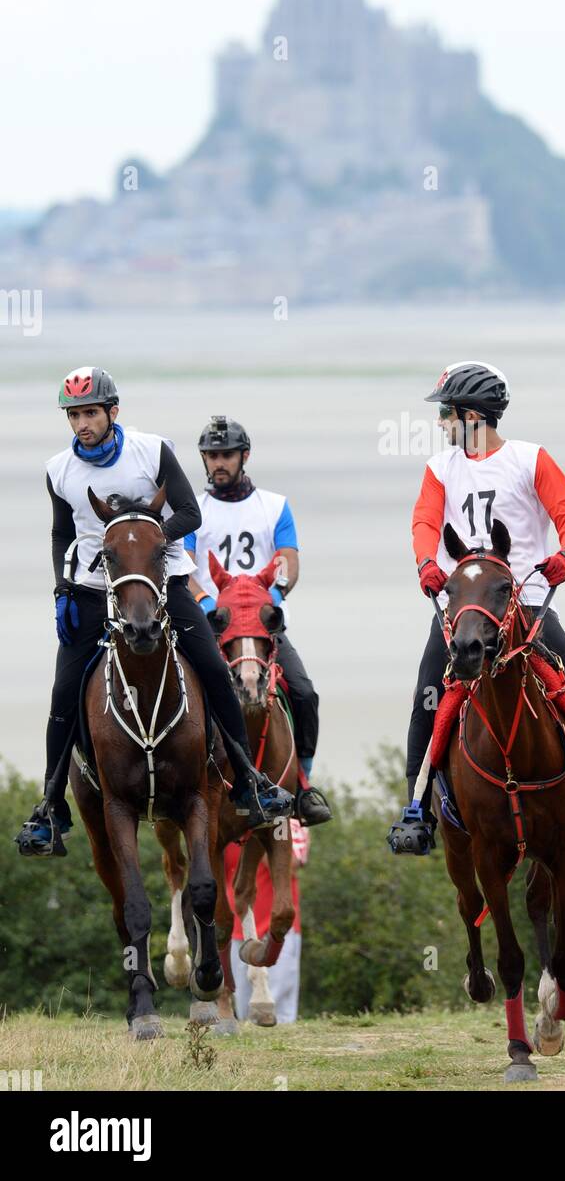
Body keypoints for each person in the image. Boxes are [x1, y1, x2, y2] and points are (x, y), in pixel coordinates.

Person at [15, 367, 294, 857]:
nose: (82, 423)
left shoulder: (152, 449)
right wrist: (62, 588)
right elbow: (62, 533)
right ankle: (50, 807)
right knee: (64, 692)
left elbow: (190, 511)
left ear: (112, 412)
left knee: (211, 666)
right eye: (74, 415)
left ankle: (251, 781)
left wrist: (142, 539)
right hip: (91, 589)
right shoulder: (58, 469)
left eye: (90, 413)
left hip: (159, 582)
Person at [387, 360, 565, 855]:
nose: (441, 421)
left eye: (446, 411)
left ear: (471, 415)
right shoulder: (439, 468)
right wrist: (428, 562)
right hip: (463, 605)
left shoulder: (531, 459)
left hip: (524, 602)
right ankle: (416, 811)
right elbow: (424, 522)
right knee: (428, 693)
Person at [184, 415, 331, 825]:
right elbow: (185, 569)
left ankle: (303, 786)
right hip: (214, 623)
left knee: (302, 692)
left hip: (261, 627)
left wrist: (270, 602)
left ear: (243, 456)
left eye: (226, 454)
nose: (219, 463)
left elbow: (289, 564)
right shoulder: (193, 509)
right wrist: (210, 604)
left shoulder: (275, 505)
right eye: (211, 456)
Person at [225, 820, 308, 1024]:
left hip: (278, 927)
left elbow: (293, 864)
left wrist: (258, 835)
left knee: (280, 1015)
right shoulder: (225, 818)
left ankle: (307, 797)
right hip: (236, 925)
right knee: (245, 1013)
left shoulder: (287, 818)